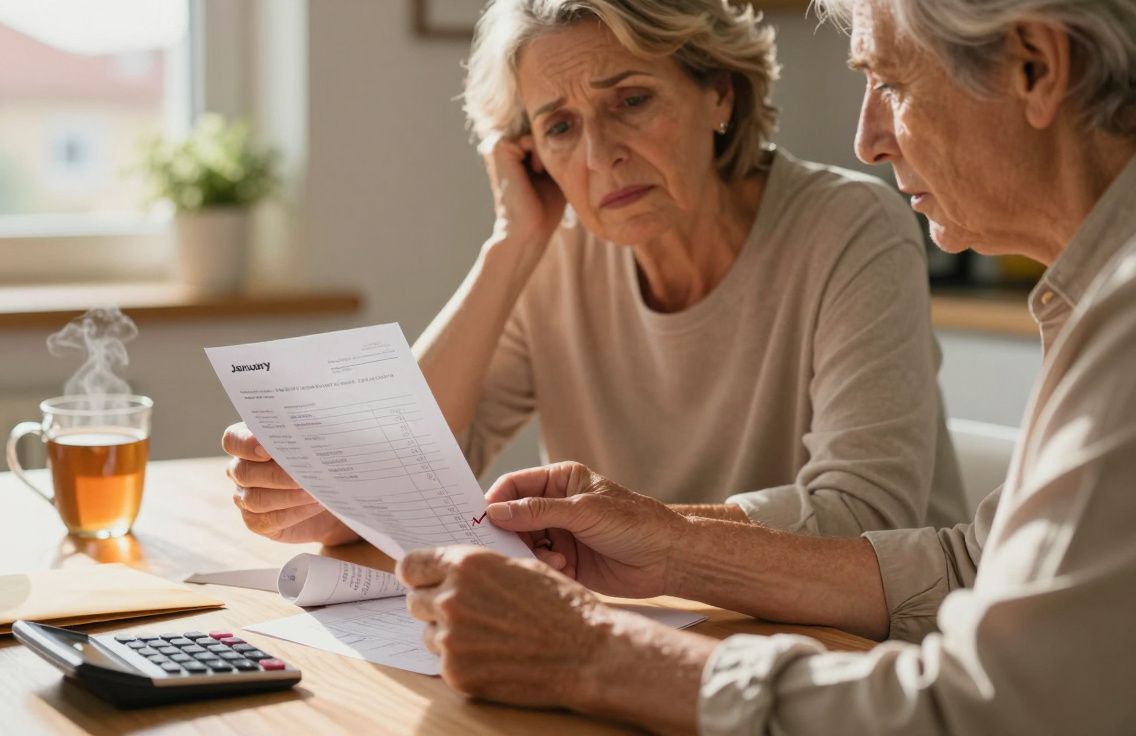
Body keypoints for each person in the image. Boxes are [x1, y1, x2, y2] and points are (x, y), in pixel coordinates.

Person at [398, 0, 1136, 732]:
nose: (867, 141)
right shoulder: (1090, 298)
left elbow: (986, 704)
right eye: (559, 126)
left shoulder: (1115, 314)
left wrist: (590, 649)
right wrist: (671, 544)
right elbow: (969, 563)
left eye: (892, 84)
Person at [222, 0, 965, 550]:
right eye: (559, 126)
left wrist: (626, 531)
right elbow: (407, 481)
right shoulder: (554, 256)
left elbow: (866, 516)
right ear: (530, 155)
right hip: (650, 631)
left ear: (719, 93)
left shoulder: (849, 226)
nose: (600, 154)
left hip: (857, 650)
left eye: (631, 101)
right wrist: (512, 243)